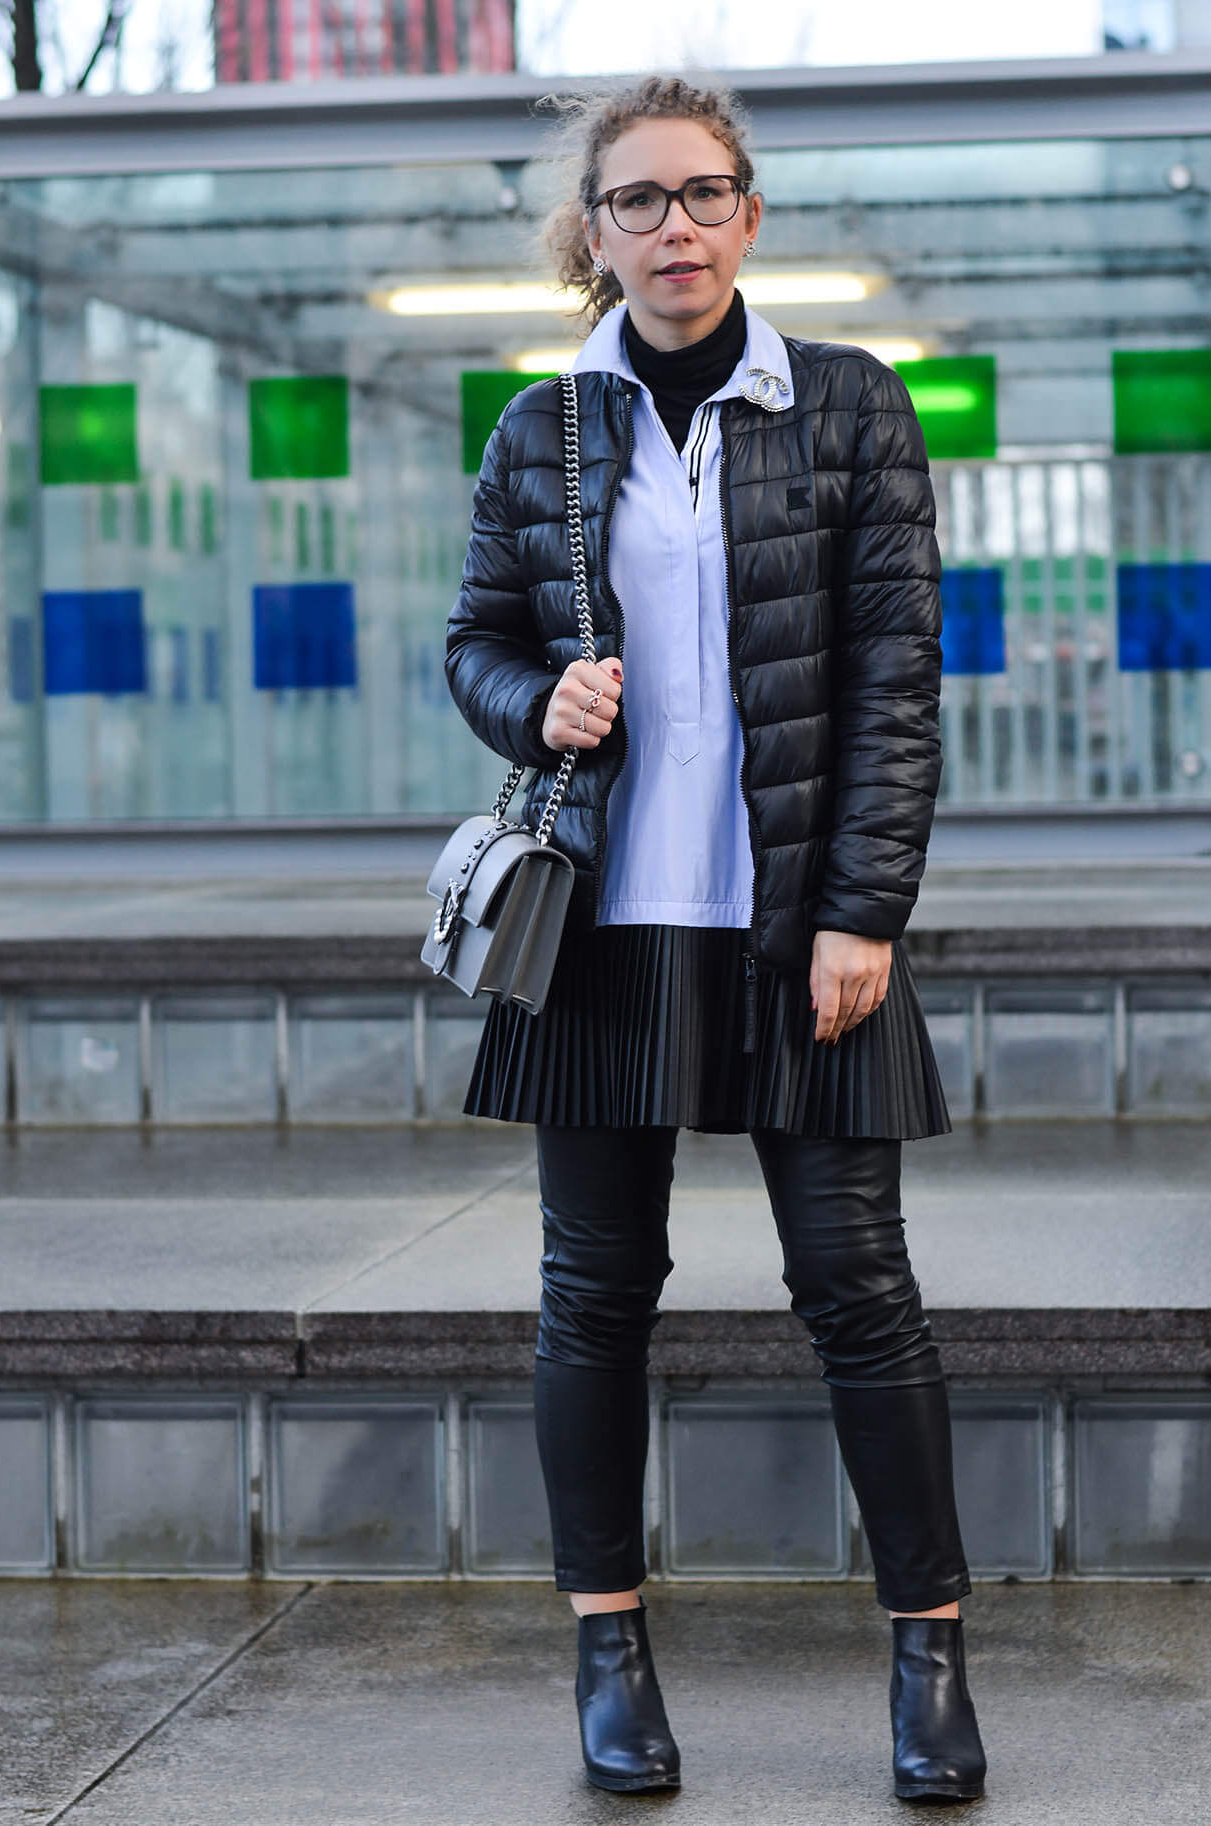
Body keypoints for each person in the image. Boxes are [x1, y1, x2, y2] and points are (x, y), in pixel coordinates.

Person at [443, 73, 987, 1806]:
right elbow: (471, 645)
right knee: (594, 1297)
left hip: (795, 933)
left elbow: (898, 682)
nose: (673, 227)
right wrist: (545, 699)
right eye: (636, 201)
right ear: (589, 236)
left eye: (703, 194)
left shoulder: (844, 406)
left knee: (858, 1289)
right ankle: (609, 1649)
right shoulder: (542, 428)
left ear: (750, 213)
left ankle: (931, 1653)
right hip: (602, 928)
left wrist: (861, 911)